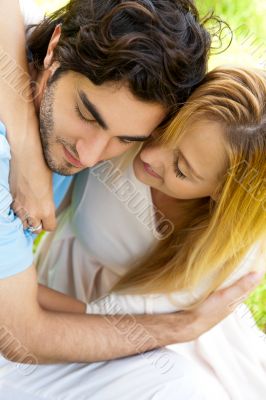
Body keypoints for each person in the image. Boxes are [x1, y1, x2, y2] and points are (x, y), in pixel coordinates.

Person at [33, 67, 266, 399]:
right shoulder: (125, 131)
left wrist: (13, 293)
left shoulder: (226, 256)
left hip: (152, 341)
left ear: (219, 193)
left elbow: (104, 324)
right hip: (62, 294)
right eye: (166, 131)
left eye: (181, 169)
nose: (149, 155)